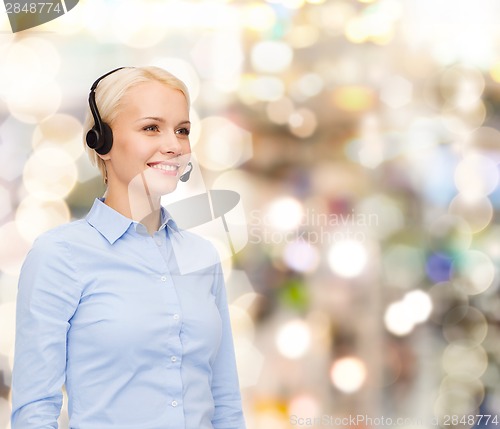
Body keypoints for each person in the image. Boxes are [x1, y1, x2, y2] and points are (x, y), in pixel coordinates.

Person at [11, 66, 246, 429]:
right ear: (100, 141)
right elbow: (34, 412)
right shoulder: (59, 257)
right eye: (151, 127)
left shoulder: (202, 256)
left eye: (182, 131)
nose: (173, 145)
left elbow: (226, 402)